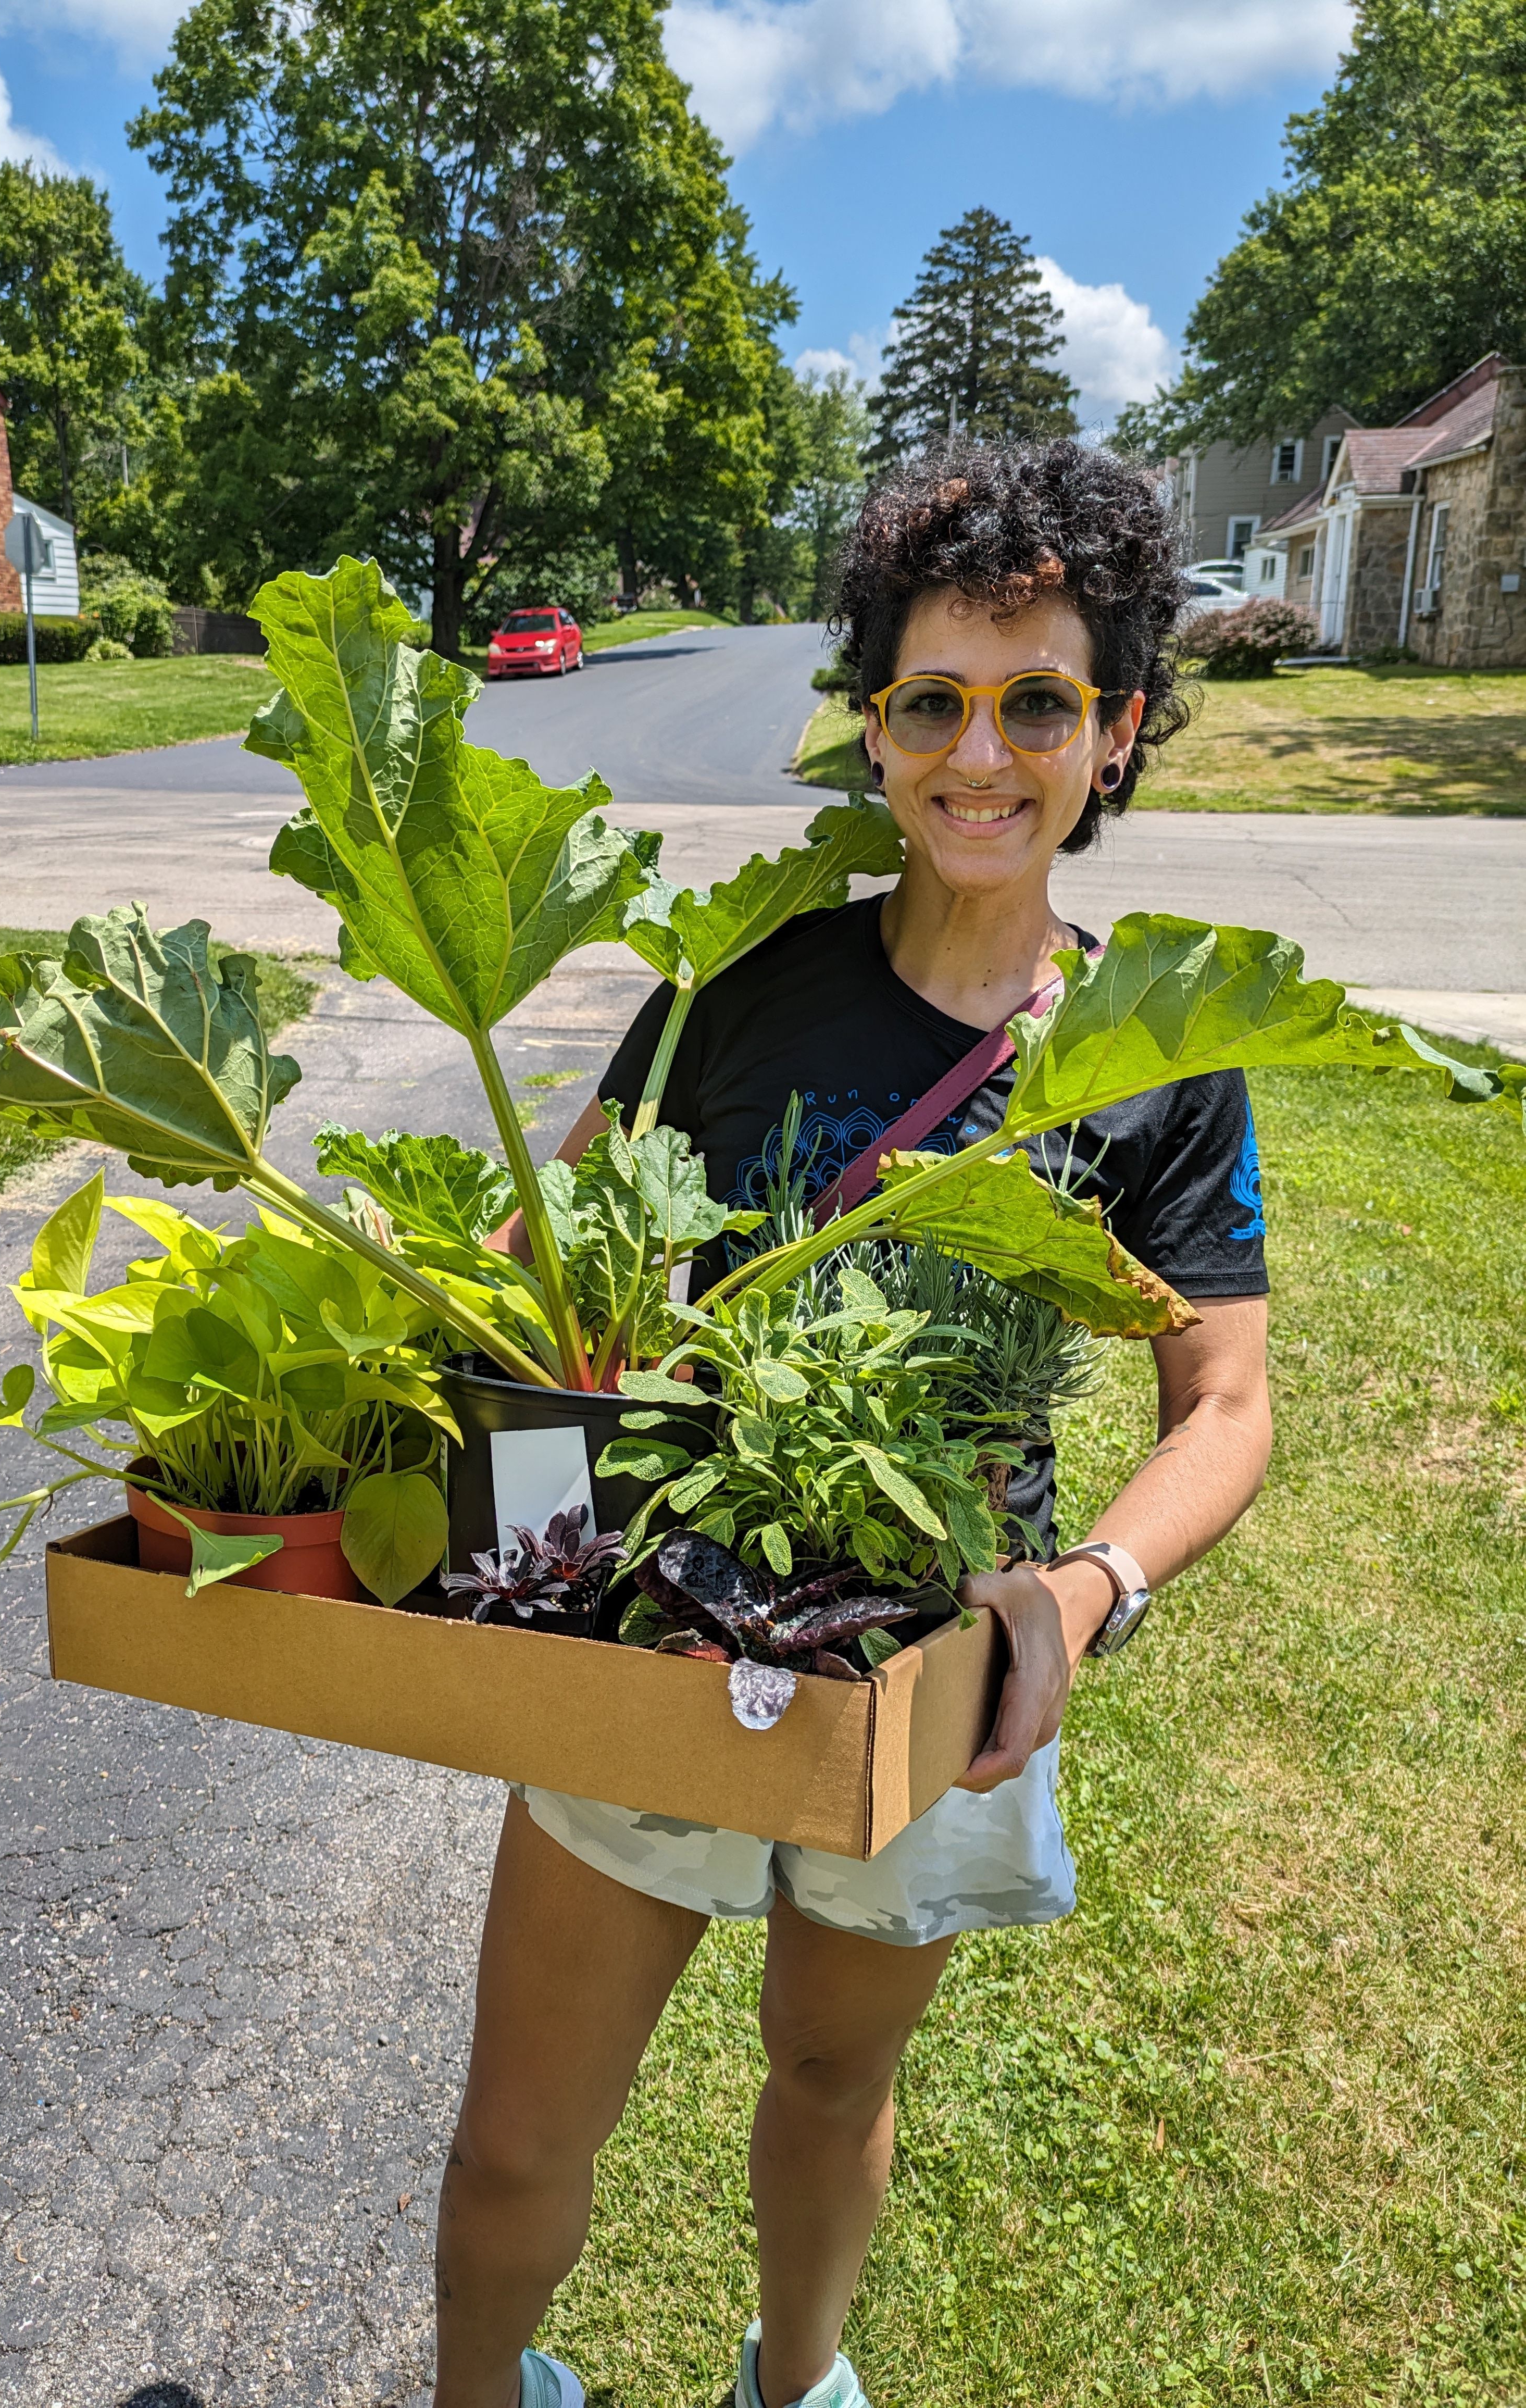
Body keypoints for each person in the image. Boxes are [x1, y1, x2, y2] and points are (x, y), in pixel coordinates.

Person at [436, 441, 1273, 2408]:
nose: (984, 752)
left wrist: (1084, 1591)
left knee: (830, 2077)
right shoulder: (742, 987)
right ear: (878, 727)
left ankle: (792, 2386)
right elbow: (558, 1243)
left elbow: (1224, 1400)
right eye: (934, 700)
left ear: (1117, 731)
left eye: (1041, 701)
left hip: (939, 1661)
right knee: (514, 2146)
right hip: (652, 1617)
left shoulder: (1157, 1056)